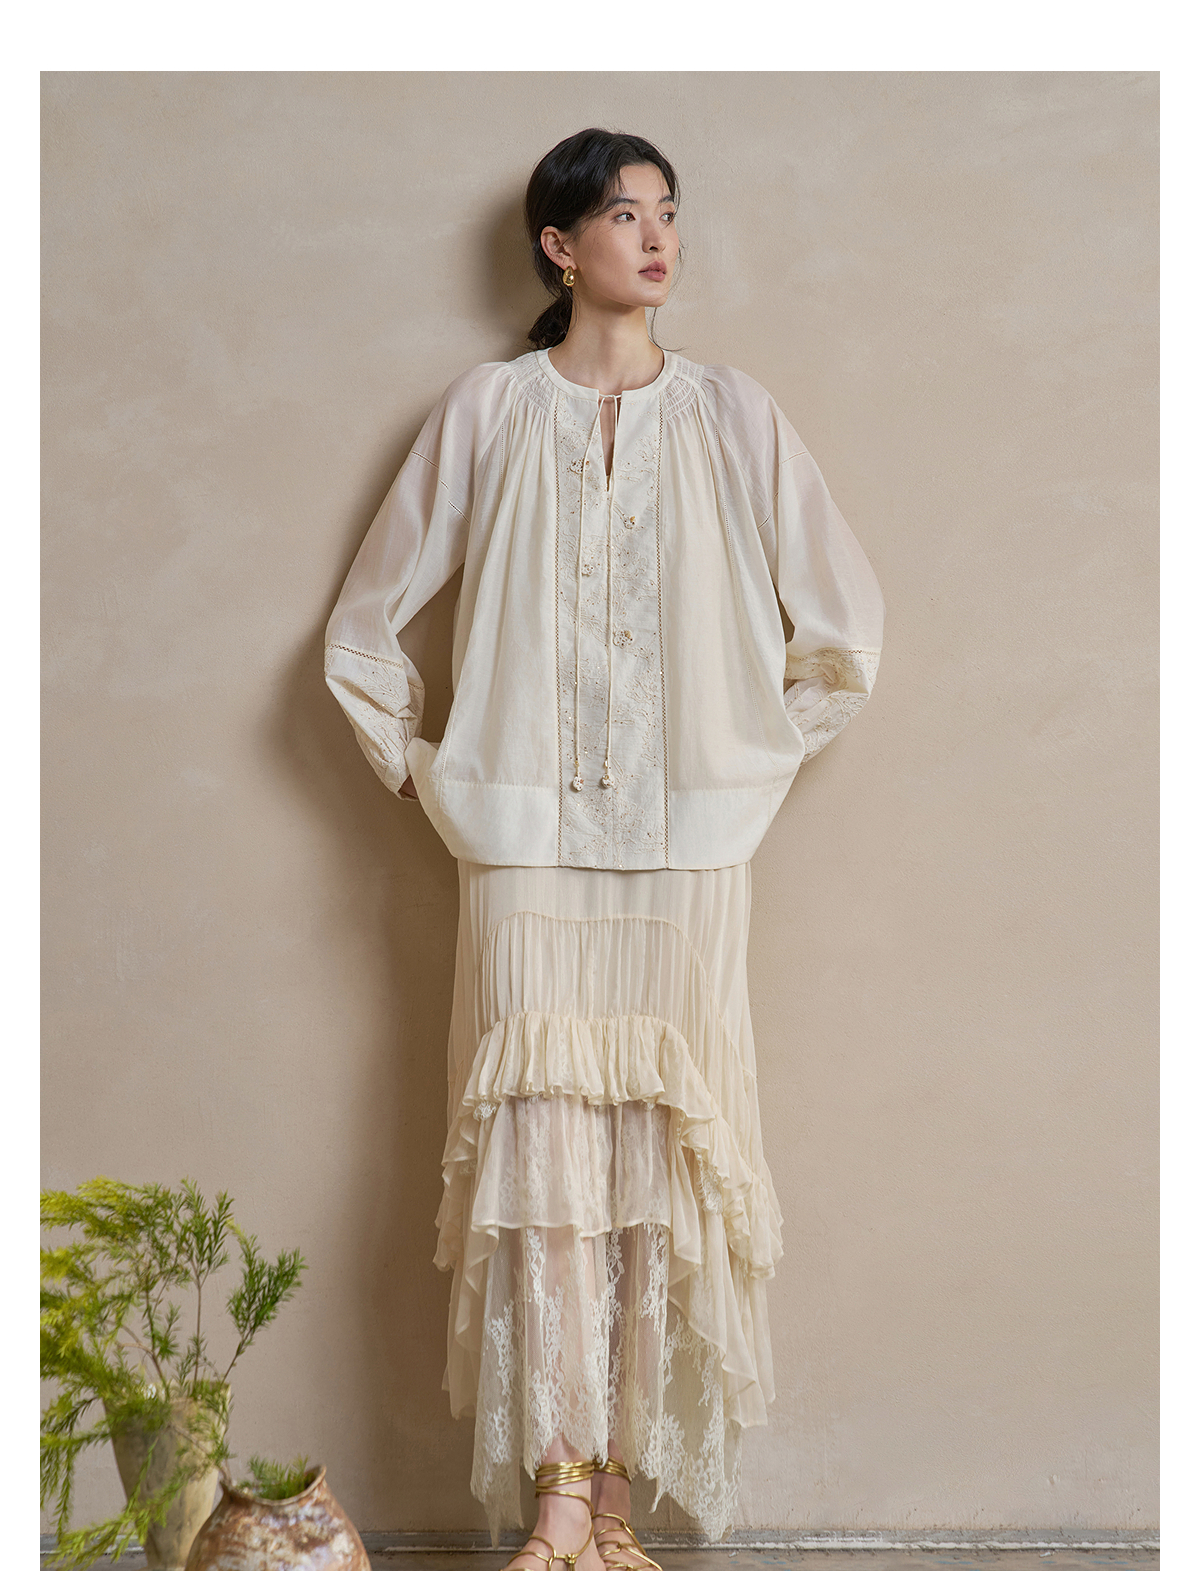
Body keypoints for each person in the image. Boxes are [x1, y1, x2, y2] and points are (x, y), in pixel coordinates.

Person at [324, 128, 885, 1566]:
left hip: (689, 857)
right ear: (558, 247)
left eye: (669, 213)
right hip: (524, 851)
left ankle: (620, 1505)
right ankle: (559, 1494)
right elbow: (363, 628)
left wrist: (744, 768)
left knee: (657, 1177)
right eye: (625, 214)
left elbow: (844, 634)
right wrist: (436, 777)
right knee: (545, 1177)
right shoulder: (487, 411)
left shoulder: (736, 416)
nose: (657, 237)